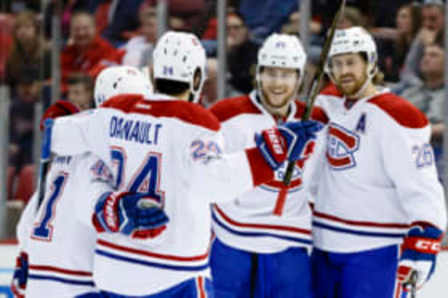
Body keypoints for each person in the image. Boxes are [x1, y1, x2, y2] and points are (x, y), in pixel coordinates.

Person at [48, 31, 321, 297]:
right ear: (197, 77)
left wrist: (108, 205)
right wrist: (268, 156)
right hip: (174, 271)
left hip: (114, 268)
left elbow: (57, 136)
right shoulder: (195, 121)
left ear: (153, 73)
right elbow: (215, 182)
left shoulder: (114, 111)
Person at [311, 27, 447, 298]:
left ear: (370, 62)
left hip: (376, 249)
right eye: (337, 64)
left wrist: (425, 237)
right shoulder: (329, 104)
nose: (344, 70)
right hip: (324, 246)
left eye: (351, 62)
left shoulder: (396, 116)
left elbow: (421, 184)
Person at [10, 66, 154, 298]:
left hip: (42, 273)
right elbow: (91, 204)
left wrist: (25, 253)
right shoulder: (110, 151)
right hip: (78, 280)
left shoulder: (69, 138)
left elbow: (34, 211)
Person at [208, 33, 327, 298]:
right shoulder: (224, 114)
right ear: (258, 74)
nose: (277, 83)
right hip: (233, 239)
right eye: (271, 73)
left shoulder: (317, 122)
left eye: (286, 74)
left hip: (290, 243)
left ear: (299, 79)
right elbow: (205, 173)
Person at [398, 41, 448, 142]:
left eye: (433, 55)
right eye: (424, 55)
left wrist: (425, 131)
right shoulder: (409, 94)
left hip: (444, 152)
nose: (426, 59)